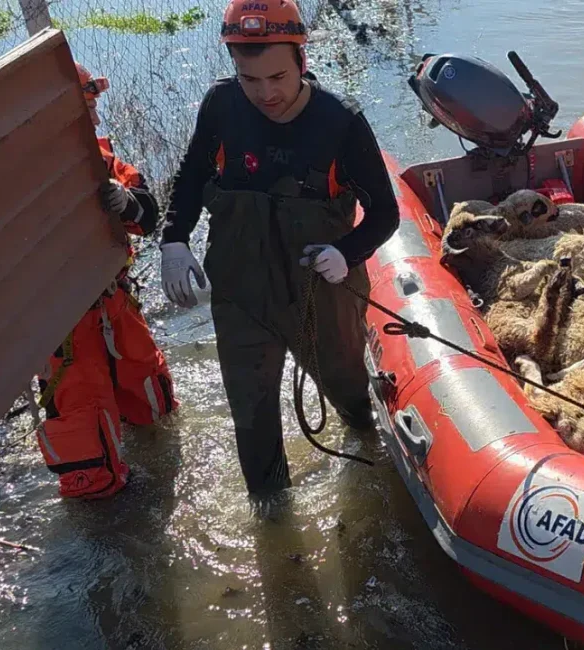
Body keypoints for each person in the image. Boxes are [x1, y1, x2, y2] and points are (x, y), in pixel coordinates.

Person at [158, 0, 399, 495]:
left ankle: (373, 476)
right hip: (241, 292)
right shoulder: (221, 106)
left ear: (302, 60)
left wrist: (347, 252)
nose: (266, 93)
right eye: (250, 79)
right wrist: (174, 239)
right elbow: (192, 176)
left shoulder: (340, 122)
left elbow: (385, 214)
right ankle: (270, 513)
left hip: (321, 292)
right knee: (251, 414)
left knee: (350, 397)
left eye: (278, 77)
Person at [35, 62, 179, 499]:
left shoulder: (101, 162)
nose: (97, 120)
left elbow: (149, 213)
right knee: (89, 459)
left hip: (115, 304)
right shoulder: (8, 184)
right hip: (62, 329)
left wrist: (126, 202)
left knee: (155, 411)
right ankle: (104, 507)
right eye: (89, 110)